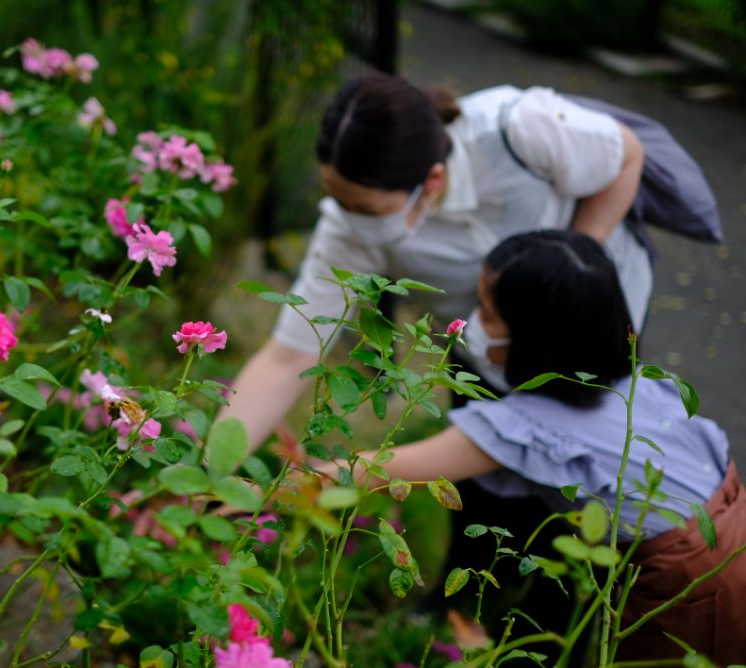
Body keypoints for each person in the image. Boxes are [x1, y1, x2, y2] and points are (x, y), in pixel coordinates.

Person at [310, 230, 745, 663]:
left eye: (487, 311)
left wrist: (273, 489)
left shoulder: (524, 425)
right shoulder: (640, 386)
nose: (474, 321)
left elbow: (377, 469)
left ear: (537, 334)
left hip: (693, 582)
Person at [220, 73, 652, 450]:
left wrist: (570, 263)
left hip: (595, 327)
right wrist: (204, 476)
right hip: (488, 359)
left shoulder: (517, 129)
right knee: (490, 507)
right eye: (337, 200)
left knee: (598, 470)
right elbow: (286, 358)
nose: (349, 220)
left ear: (433, 180)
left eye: (367, 209)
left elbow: (626, 152)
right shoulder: (346, 233)